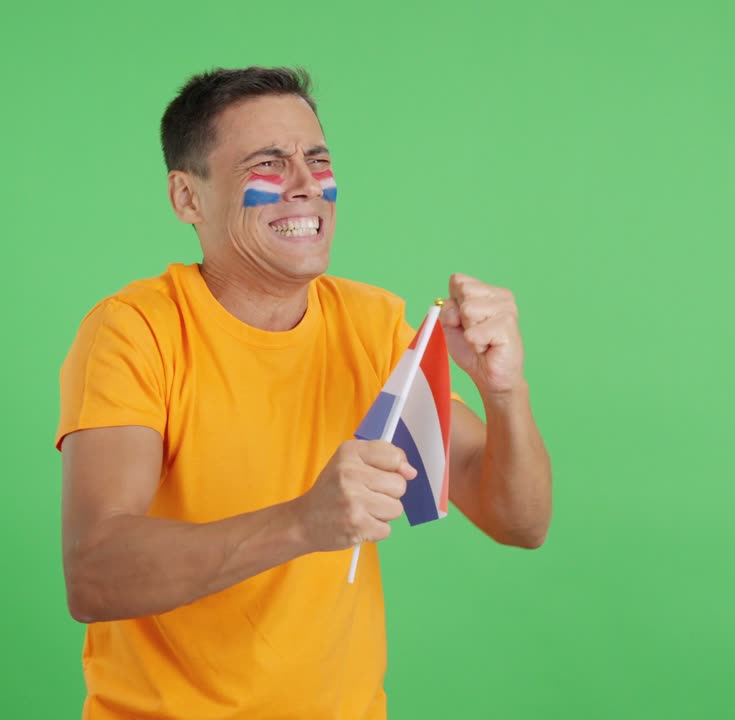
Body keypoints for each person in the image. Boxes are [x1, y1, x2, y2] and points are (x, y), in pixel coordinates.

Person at [54, 66, 552, 719]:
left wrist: (505, 392)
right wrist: (301, 522)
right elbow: (96, 573)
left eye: (317, 159)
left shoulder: (372, 326)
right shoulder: (135, 331)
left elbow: (518, 521)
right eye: (268, 163)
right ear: (187, 198)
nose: (306, 184)